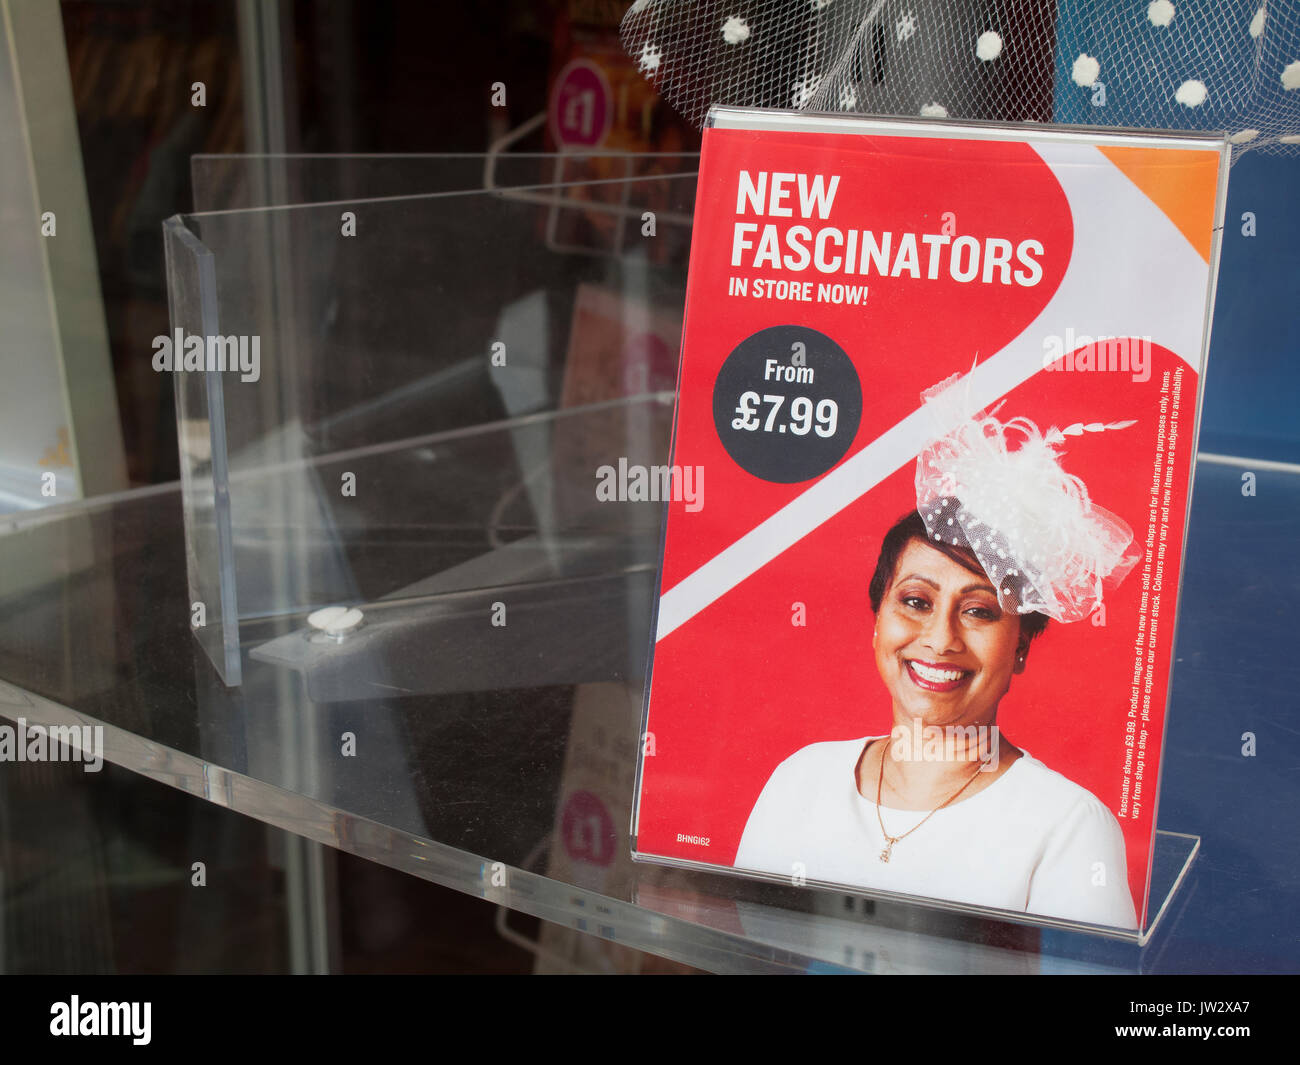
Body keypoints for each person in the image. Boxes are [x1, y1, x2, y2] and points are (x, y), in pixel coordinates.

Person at [736, 376, 1142, 929]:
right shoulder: (799, 781)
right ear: (878, 621)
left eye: (979, 611)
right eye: (915, 601)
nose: (941, 638)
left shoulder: (1067, 827)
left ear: (1020, 646)